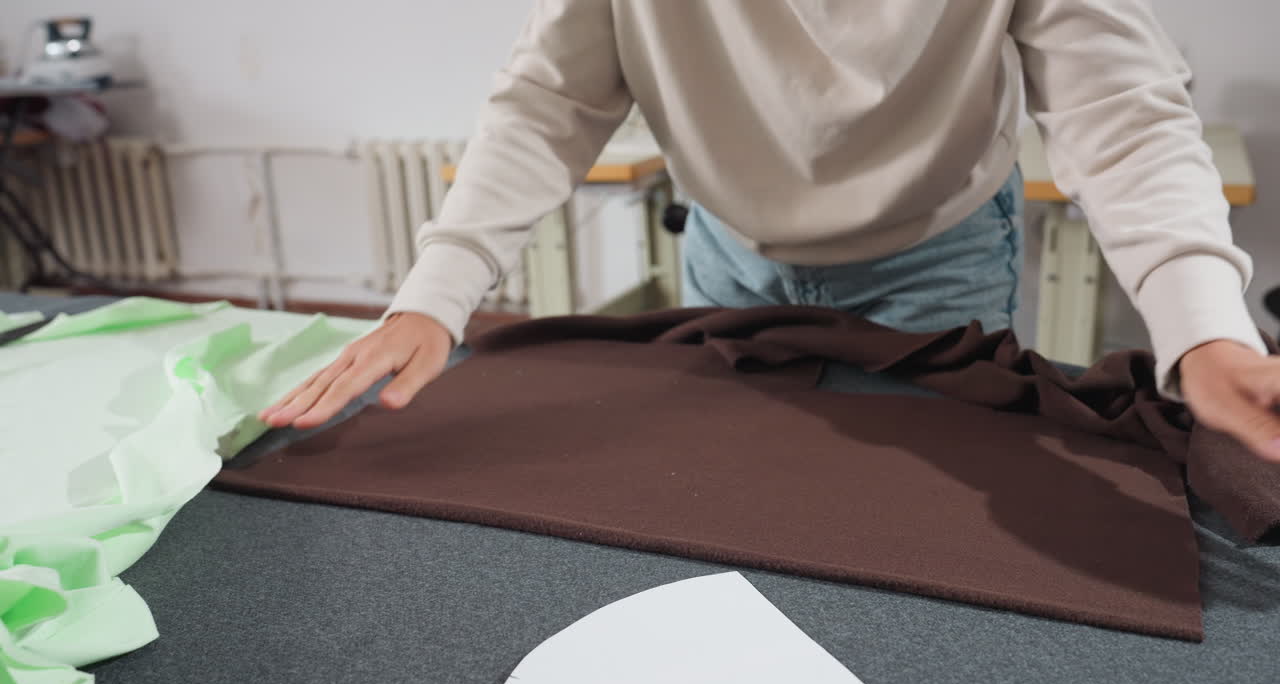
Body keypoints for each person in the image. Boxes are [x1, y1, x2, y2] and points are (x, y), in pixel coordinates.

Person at [260, 1, 1280, 462]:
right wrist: (434, 297)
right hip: (727, 250)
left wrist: (1200, 327)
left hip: (937, 254)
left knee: (926, 518)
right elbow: (546, 104)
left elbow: (1119, 109)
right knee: (746, 491)